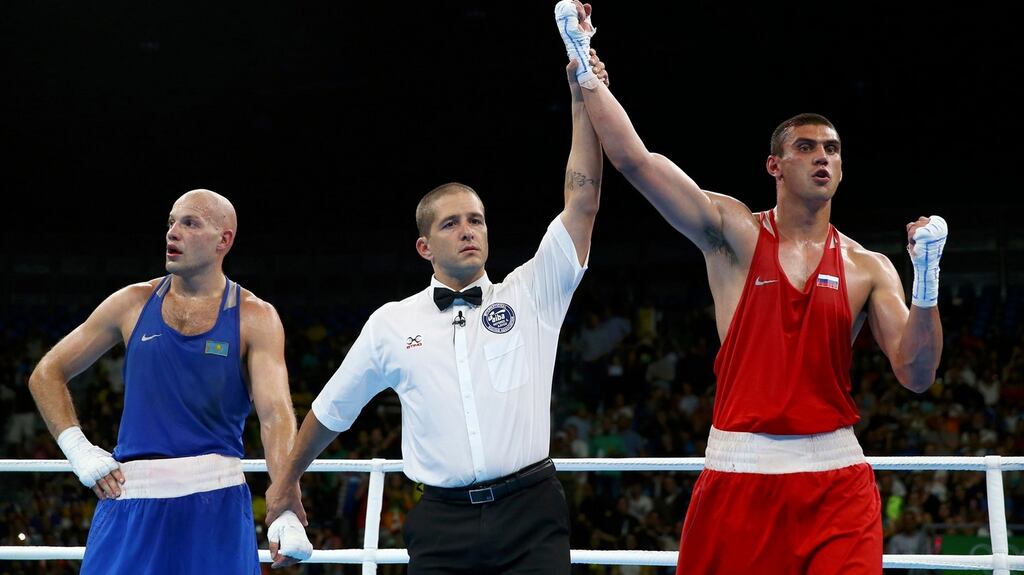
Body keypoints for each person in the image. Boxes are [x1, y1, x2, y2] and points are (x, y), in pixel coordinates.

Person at [555, 2, 946, 573]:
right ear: (774, 165)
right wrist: (583, 68)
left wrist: (927, 281)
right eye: (807, 147)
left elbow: (915, 375)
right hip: (739, 472)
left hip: (836, 479)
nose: (822, 158)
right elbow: (636, 162)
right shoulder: (732, 233)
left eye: (831, 149)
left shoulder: (869, 266)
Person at [264, 48, 608, 574]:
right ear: (424, 247)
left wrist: (582, 97)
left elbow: (581, 199)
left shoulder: (532, 292)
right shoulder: (391, 323)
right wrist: (285, 483)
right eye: (451, 224)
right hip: (441, 523)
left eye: (476, 220)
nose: (468, 230)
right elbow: (331, 411)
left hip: (531, 512)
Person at [27, 189, 312, 573]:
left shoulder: (255, 317)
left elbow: (275, 414)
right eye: (171, 223)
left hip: (215, 500)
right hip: (129, 497)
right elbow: (46, 373)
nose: (172, 233)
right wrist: (78, 449)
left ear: (223, 240)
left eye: (189, 223)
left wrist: (284, 501)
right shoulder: (131, 303)